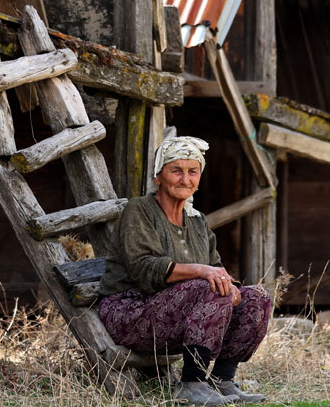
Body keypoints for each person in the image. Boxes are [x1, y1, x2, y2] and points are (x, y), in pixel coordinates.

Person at [98, 136, 272, 405]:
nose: (185, 179)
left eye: (193, 171)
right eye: (176, 170)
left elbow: (214, 265)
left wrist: (230, 286)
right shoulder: (139, 210)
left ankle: (221, 380)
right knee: (207, 287)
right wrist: (204, 273)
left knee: (256, 297)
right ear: (158, 177)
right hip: (131, 311)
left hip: (177, 314)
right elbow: (145, 268)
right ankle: (191, 384)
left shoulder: (197, 220)